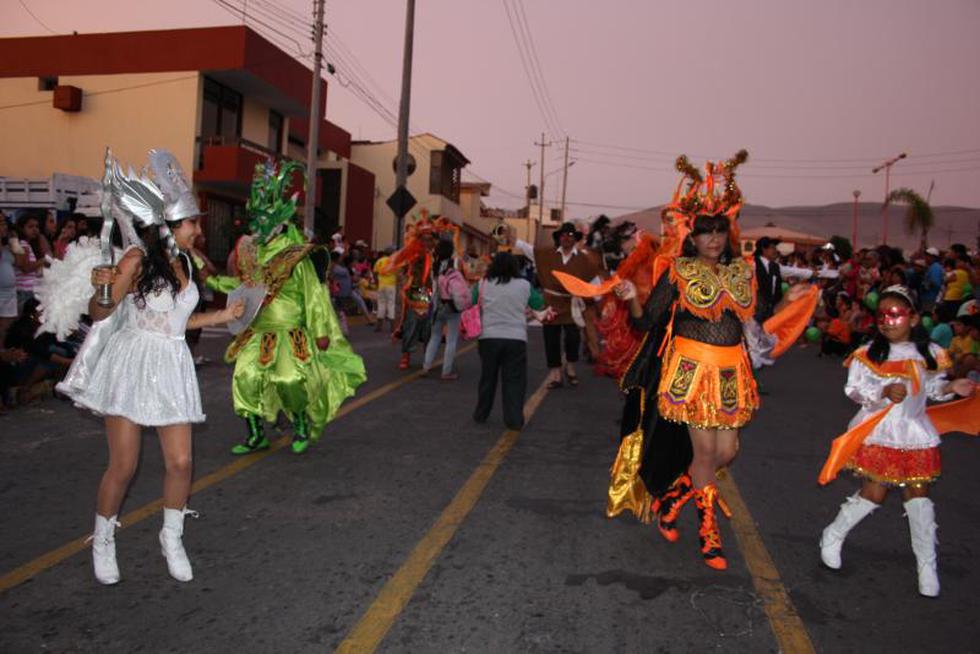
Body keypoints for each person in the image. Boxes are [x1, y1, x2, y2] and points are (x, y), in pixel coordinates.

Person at [567, 151, 816, 571]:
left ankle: (673, 500)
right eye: (705, 233)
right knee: (704, 454)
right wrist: (630, 301)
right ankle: (709, 533)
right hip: (692, 371)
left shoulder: (743, 272)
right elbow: (649, 323)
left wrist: (786, 300)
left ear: (728, 234)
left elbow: (752, 315)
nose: (714, 240)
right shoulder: (678, 272)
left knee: (727, 452)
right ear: (693, 237)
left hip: (732, 371)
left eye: (720, 231)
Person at [52, 150, 246, 585]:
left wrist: (220, 316)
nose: (198, 228)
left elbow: (176, 322)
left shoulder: (184, 264)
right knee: (124, 465)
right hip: (132, 364)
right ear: (170, 226)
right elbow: (101, 315)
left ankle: (171, 537)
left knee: (180, 462)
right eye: (192, 222)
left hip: (172, 363)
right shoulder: (136, 261)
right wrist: (102, 289)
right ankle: (103, 538)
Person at [817, 286, 976, 597]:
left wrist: (953, 386)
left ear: (913, 318)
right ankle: (833, 534)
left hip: (916, 432)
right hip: (881, 431)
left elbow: (932, 389)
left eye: (895, 314)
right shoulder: (868, 354)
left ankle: (926, 564)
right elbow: (854, 391)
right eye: (882, 315)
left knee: (919, 496)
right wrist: (882, 393)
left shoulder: (929, 353)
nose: (887, 321)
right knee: (874, 493)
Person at [203, 160, 366, 456]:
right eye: (256, 217)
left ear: (280, 218)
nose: (259, 224)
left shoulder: (295, 254)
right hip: (257, 331)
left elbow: (313, 294)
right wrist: (211, 279)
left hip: (291, 333)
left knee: (289, 380)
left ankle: (301, 424)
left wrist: (320, 331)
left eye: (265, 216)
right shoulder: (248, 251)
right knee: (244, 378)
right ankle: (255, 434)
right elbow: (242, 287)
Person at [514, 222, 602, 389]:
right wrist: (511, 238)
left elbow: (594, 280)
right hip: (551, 304)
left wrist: (599, 301)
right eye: (563, 235)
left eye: (569, 235)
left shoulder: (583, 260)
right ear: (559, 238)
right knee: (551, 339)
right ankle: (555, 374)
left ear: (575, 238)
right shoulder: (547, 255)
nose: (566, 238)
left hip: (572, 305)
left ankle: (570, 366)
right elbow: (529, 249)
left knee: (573, 338)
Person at [472, 252, 548, 430]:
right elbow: (538, 304)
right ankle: (514, 419)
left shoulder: (483, 283)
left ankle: (481, 413)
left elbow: (473, 301)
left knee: (487, 378)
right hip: (515, 338)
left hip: (488, 337)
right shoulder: (524, 285)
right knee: (514, 380)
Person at [422, 239, 469, 379]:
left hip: (437, 305)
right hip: (452, 305)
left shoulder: (434, 266)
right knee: (451, 339)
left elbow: (432, 285)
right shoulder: (456, 263)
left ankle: (426, 366)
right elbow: (463, 280)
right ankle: (446, 371)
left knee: (435, 336)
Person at [13, 213, 49, 312]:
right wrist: (42, 261)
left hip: (29, 291)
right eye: (30, 226)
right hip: (24, 292)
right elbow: (25, 268)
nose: (35, 229)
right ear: (21, 228)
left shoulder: (28, 245)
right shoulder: (23, 244)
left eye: (37, 227)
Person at [753, 237, 783, 323]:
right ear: (764, 249)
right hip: (755, 311)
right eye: (772, 248)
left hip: (770, 311)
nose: (775, 250)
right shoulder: (753, 263)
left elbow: (777, 290)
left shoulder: (775, 267)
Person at [0, 216, 18, 344]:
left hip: (9, 294)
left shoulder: (9, 245)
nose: (4, 226)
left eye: (4, 223)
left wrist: (14, 240)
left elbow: (21, 261)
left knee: (4, 332)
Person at [373, 245, 398, 333]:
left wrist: (377, 283)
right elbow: (398, 273)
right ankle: (393, 328)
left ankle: (379, 326)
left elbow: (375, 273)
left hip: (381, 285)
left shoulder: (379, 261)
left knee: (381, 304)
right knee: (391, 304)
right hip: (391, 285)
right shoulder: (394, 261)